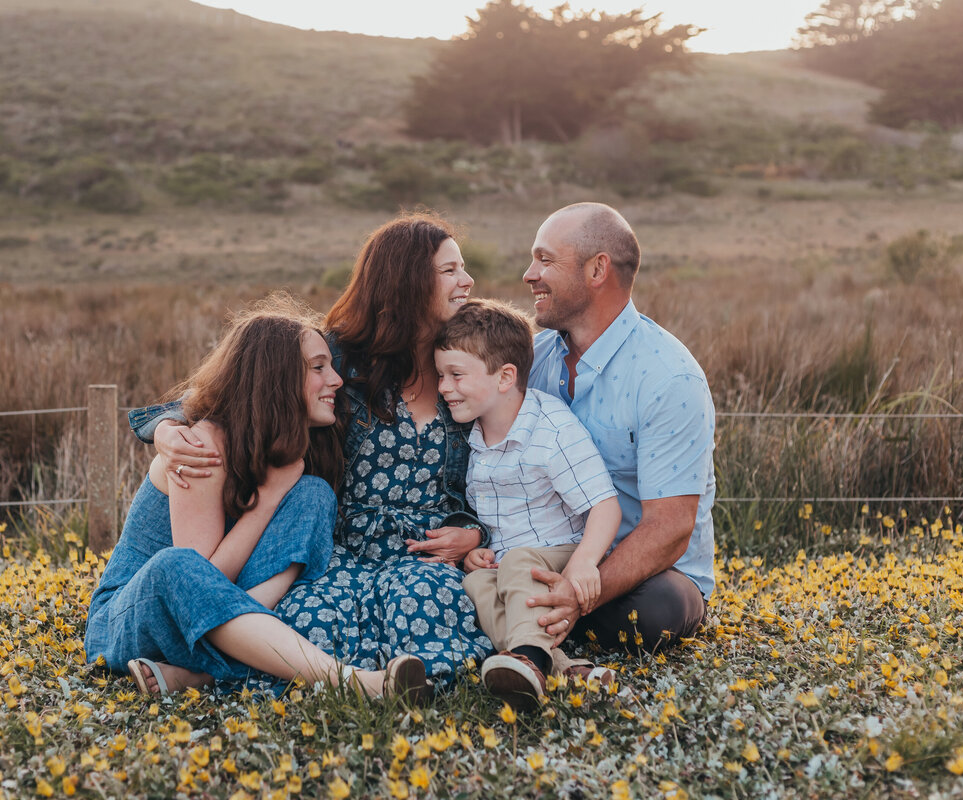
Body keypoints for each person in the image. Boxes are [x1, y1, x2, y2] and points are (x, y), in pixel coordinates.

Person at [135, 214, 494, 690]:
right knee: (313, 618)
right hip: (336, 546)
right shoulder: (341, 360)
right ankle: (347, 681)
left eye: (463, 268)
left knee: (429, 611)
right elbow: (241, 393)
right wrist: (162, 428)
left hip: (423, 555)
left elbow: (503, 463)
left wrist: (473, 533)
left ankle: (205, 674)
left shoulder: (470, 361)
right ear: (406, 281)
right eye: (450, 270)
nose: (467, 281)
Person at [86, 297, 429, 701]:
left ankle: (203, 672)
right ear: (276, 379)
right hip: (131, 616)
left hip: (213, 612)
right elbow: (200, 581)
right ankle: (355, 682)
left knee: (315, 494)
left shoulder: (294, 455)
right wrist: (267, 500)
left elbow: (244, 589)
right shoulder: (202, 447)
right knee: (177, 565)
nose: (336, 380)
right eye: (318, 368)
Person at [522, 202, 715, 655]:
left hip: (644, 576)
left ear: (597, 270)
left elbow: (668, 529)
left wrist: (578, 592)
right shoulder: (532, 359)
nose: (530, 274)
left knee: (657, 610)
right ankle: (540, 614)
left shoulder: (669, 378)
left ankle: (541, 617)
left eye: (545, 259)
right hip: (548, 553)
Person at [433, 298, 621, 710]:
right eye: (440, 375)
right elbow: (494, 517)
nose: (444, 387)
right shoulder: (471, 436)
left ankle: (530, 659)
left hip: (564, 549)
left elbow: (605, 505)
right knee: (477, 584)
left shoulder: (551, 428)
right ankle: (562, 670)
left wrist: (585, 562)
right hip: (511, 561)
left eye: (456, 375)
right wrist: (481, 552)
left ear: (505, 377)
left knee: (518, 562)